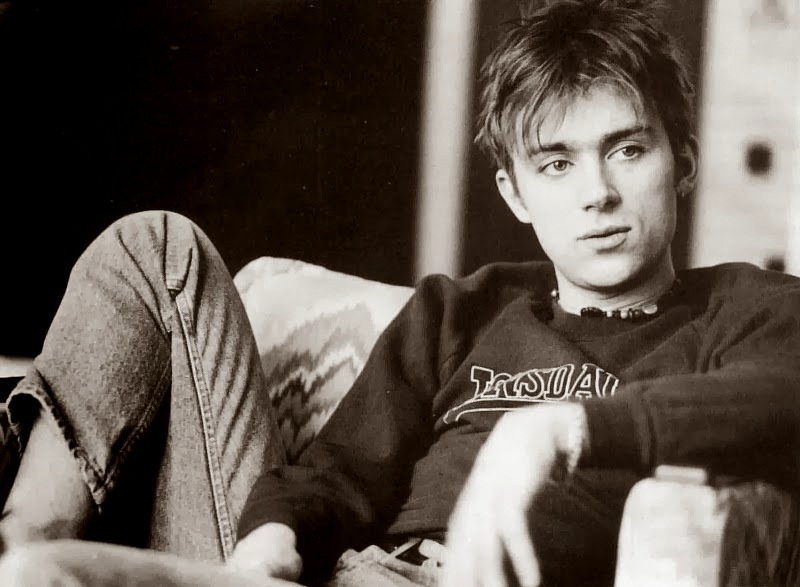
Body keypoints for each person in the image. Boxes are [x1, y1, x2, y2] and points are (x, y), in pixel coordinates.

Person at [1, 0, 800, 585]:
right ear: (516, 193)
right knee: (154, 248)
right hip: (330, 573)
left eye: (627, 150)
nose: (597, 193)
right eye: (557, 163)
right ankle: (18, 533)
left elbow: (782, 396)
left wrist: (557, 431)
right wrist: (270, 539)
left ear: (683, 159)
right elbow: (338, 473)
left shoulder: (746, 308)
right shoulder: (464, 308)